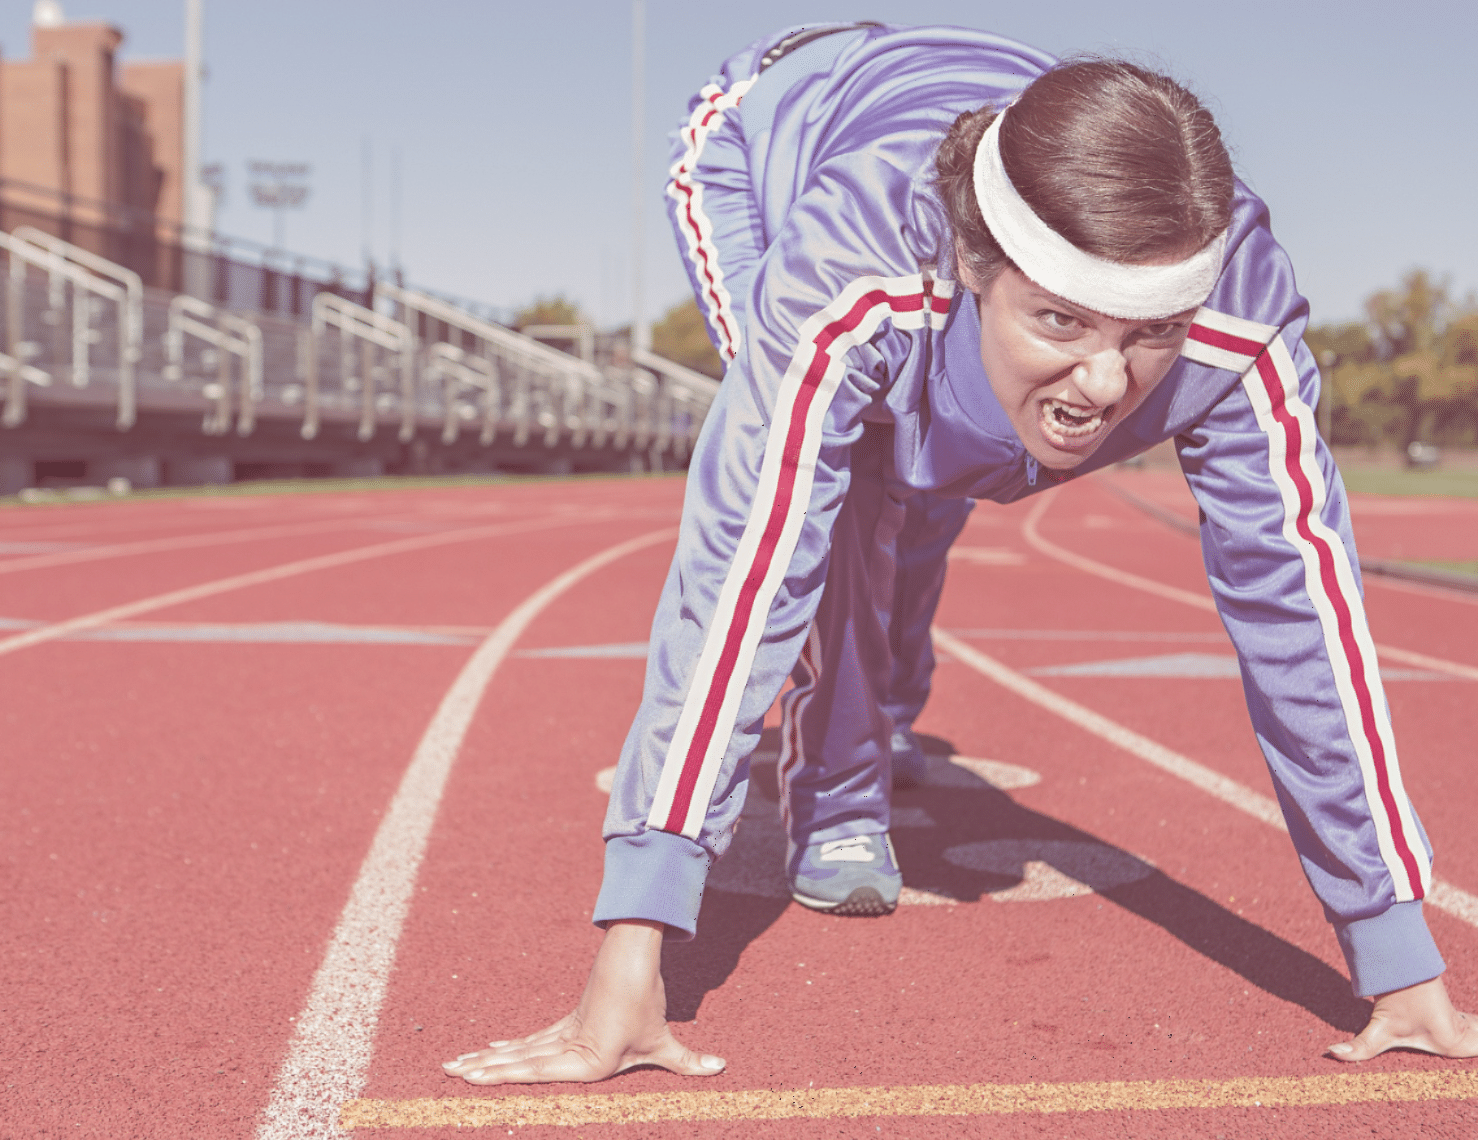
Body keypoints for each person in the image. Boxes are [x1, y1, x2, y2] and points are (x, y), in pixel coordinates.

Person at [446, 22, 1478, 1083]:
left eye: (1148, 335)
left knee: (939, 471)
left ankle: (885, 706)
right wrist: (636, 947)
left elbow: (1305, 619)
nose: (1105, 385)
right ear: (980, 264)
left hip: (974, 137)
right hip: (770, 138)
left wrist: (1397, 955)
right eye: (1062, 323)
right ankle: (839, 792)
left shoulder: (1241, 318)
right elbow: (746, 568)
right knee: (843, 486)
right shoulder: (848, 268)